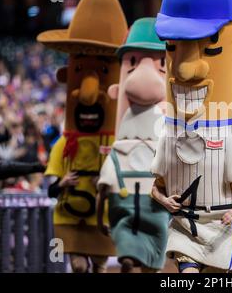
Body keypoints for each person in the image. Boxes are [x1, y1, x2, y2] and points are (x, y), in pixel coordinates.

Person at [151, 0, 232, 273]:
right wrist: (164, 201)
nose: (185, 70)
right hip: (185, 226)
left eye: (211, 48)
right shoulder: (169, 134)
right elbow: (155, 187)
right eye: (173, 47)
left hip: (220, 230)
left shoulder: (230, 138)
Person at [38, 0, 128, 273]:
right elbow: (51, 186)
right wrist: (62, 183)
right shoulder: (64, 144)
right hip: (72, 212)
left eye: (103, 70)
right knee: (78, 266)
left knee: (100, 266)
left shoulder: (116, 142)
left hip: (102, 215)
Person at [97, 17, 170, 273]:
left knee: (128, 238)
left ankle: (129, 256)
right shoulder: (163, 141)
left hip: (130, 196)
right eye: (133, 62)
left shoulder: (120, 149)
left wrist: (99, 217)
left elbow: (102, 189)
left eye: (162, 63)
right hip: (154, 199)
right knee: (155, 256)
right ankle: (134, 258)